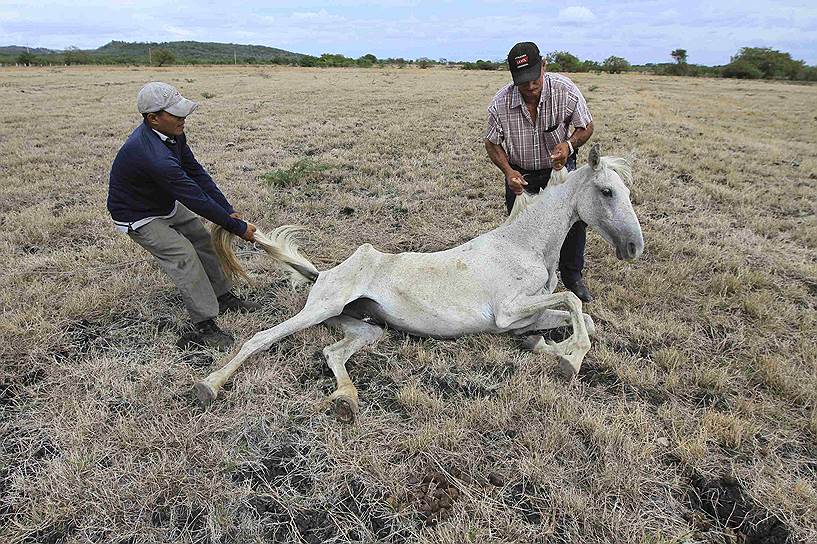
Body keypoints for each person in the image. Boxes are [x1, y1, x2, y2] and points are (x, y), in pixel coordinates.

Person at [108, 82, 259, 350]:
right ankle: (205, 323)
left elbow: (196, 172)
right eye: (176, 114)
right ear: (153, 118)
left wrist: (226, 208)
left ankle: (223, 295)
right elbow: (194, 197)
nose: (183, 118)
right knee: (183, 256)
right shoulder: (151, 155)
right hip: (138, 215)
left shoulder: (173, 135)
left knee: (203, 240)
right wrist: (236, 226)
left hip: (162, 204)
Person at [485, 42, 595, 302]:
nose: (531, 87)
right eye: (523, 82)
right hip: (521, 174)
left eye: (534, 79)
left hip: (560, 170)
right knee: (521, 230)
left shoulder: (565, 91)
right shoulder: (500, 104)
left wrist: (568, 145)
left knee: (572, 224)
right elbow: (491, 143)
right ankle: (523, 280)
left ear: (544, 65)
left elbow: (586, 126)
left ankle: (572, 277)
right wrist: (508, 171)